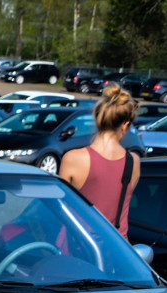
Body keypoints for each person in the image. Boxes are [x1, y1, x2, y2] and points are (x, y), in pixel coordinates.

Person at [58, 83, 140, 237]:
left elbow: (61, 207)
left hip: (78, 245)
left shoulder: (73, 158)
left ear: (97, 120)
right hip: (116, 251)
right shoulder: (133, 162)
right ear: (125, 125)